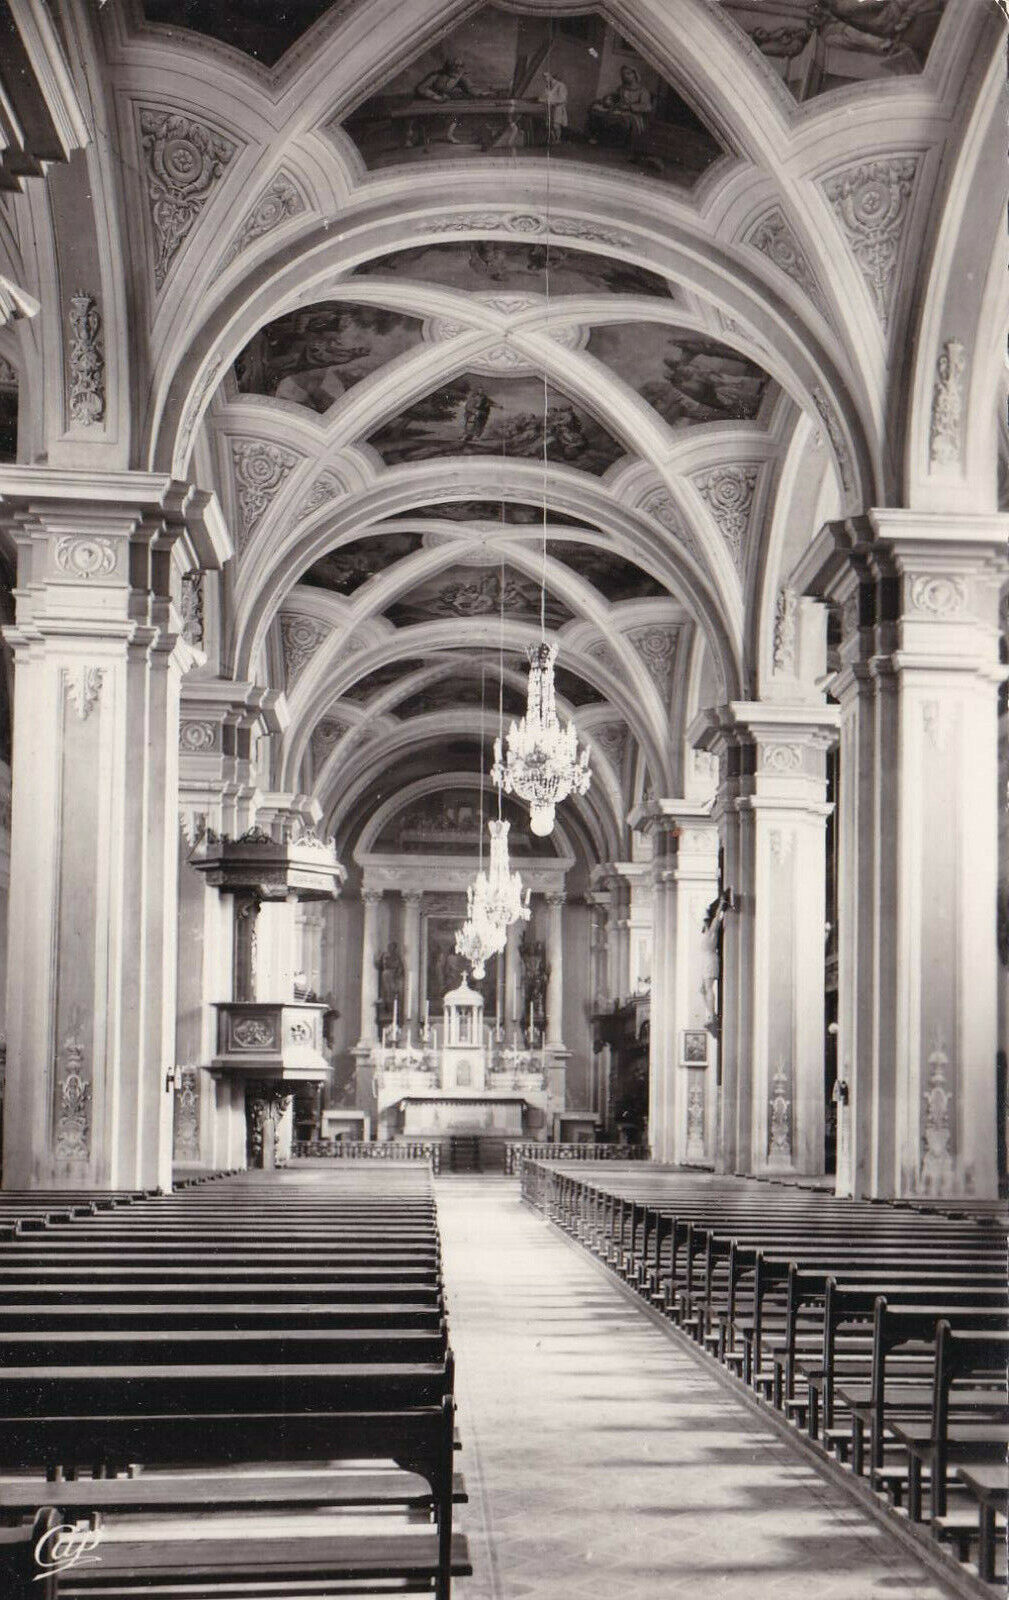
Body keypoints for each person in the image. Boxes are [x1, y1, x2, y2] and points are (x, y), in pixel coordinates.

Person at [588, 66, 653, 146]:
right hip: (619, 110)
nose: (625, 76)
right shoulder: (621, 88)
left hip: (633, 114)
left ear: (635, 75)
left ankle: (614, 142)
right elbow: (615, 98)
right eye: (623, 74)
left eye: (628, 73)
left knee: (620, 119)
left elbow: (647, 107)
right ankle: (600, 138)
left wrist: (630, 107)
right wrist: (608, 100)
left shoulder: (643, 91)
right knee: (597, 110)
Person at [539, 71, 568, 144]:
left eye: (547, 76)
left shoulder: (560, 85)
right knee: (548, 125)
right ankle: (553, 139)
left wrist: (553, 102)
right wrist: (542, 100)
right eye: (544, 77)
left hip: (558, 107)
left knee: (556, 125)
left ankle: (558, 139)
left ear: (551, 76)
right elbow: (544, 96)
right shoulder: (547, 86)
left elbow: (563, 99)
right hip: (549, 108)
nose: (545, 79)